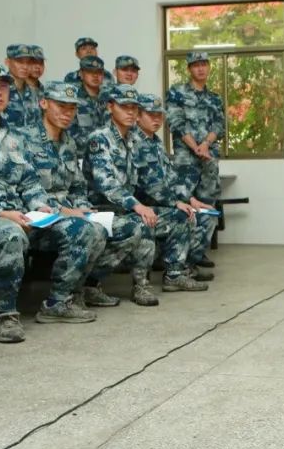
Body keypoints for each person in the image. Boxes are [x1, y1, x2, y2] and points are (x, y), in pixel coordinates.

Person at [0, 62, 104, 341]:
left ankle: (57, 302)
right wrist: (1, 212)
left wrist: (42, 206)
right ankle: (6, 314)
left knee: (84, 228)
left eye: (3, 86)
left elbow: (28, 181)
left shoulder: (13, 135)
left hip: (22, 215)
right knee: (10, 233)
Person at [26, 81, 157, 307]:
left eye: (72, 108)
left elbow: (77, 186)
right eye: (61, 106)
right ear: (44, 103)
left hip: (72, 213)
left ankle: (86, 285)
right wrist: (66, 211)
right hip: (41, 217)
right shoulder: (26, 141)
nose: (67, 113)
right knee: (90, 230)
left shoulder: (67, 142)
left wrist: (83, 207)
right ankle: (60, 301)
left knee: (133, 228)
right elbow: (27, 189)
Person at [84, 84, 205, 295]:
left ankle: (174, 275)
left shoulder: (134, 140)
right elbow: (107, 184)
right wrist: (138, 206)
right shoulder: (100, 139)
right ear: (110, 107)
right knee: (143, 222)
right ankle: (128, 285)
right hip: (103, 208)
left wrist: (179, 201)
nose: (130, 112)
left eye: (134, 107)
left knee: (180, 216)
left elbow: (149, 179)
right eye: (124, 107)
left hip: (129, 207)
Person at [132, 92, 215, 285]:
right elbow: (149, 185)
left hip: (164, 201)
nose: (156, 119)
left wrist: (190, 199)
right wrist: (176, 203)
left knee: (206, 215)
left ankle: (186, 267)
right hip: (145, 205)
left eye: (159, 115)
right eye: (150, 114)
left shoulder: (155, 142)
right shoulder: (134, 142)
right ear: (138, 116)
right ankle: (174, 274)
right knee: (184, 215)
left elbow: (170, 178)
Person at [165, 51, 223, 206]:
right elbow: (176, 122)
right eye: (196, 65)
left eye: (203, 64)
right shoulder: (176, 92)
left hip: (208, 159)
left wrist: (205, 145)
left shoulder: (215, 98)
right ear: (189, 69)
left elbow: (219, 125)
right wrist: (196, 147)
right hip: (186, 158)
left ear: (209, 67)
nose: (200, 69)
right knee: (184, 201)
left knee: (208, 203)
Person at [68, 54, 109, 154]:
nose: (95, 76)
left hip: (108, 153)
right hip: (80, 154)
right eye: (90, 72)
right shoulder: (72, 99)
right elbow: (68, 131)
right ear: (81, 74)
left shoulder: (109, 98)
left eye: (99, 72)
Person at [3, 43, 41, 134]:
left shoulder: (35, 92)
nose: (25, 67)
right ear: (7, 62)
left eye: (29, 62)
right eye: (19, 62)